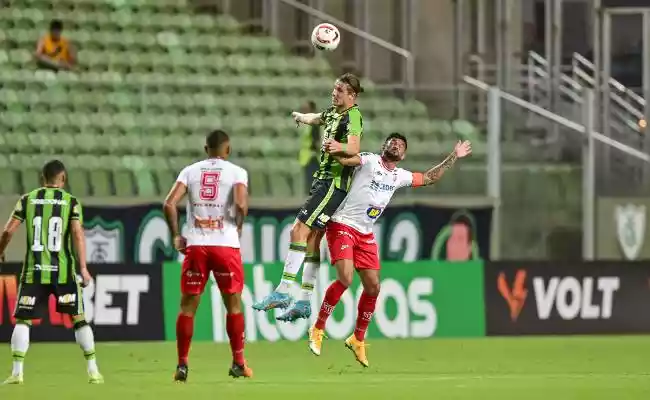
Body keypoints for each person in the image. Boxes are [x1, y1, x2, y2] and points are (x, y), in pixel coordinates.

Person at [308, 133, 472, 367]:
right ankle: (318, 327)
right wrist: (335, 147)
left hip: (365, 233)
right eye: (392, 142)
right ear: (383, 146)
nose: (395, 144)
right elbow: (348, 160)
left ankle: (358, 339)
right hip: (342, 224)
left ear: (403, 155)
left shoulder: (399, 176)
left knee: (373, 287)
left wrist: (454, 156)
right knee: (345, 278)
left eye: (401, 145)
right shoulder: (369, 160)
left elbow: (428, 177)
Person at [253, 73, 365, 321]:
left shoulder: (353, 116)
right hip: (323, 181)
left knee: (297, 230)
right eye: (334, 88)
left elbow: (355, 148)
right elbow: (318, 118)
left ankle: (283, 291)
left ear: (352, 96)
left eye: (339, 90)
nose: (334, 93)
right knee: (313, 238)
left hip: (332, 184)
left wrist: (339, 147)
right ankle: (304, 302)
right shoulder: (333, 113)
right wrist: (301, 118)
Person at [0, 160, 103, 384]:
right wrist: (83, 268)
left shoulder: (27, 200)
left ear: (42, 178)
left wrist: (0, 251)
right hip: (63, 273)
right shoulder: (71, 202)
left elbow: (8, 231)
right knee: (79, 319)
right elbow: (78, 235)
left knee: (23, 321)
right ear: (63, 178)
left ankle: (17, 373)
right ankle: (93, 371)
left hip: (34, 272)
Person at [163, 129, 252, 382]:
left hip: (196, 245)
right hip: (225, 245)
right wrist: (239, 223)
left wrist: (176, 235)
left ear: (206, 150)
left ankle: (182, 365)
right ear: (228, 150)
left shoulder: (189, 171)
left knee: (188, 308)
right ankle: (238, 362)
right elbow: (241, 204)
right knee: (233, 305)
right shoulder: (237, 172)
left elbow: (169, 204)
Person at [298, 100, 322, 195]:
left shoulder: (314, 124)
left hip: (312, 157)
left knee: (312, 182)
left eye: (306, 109)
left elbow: (316, 141)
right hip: (307, 157)